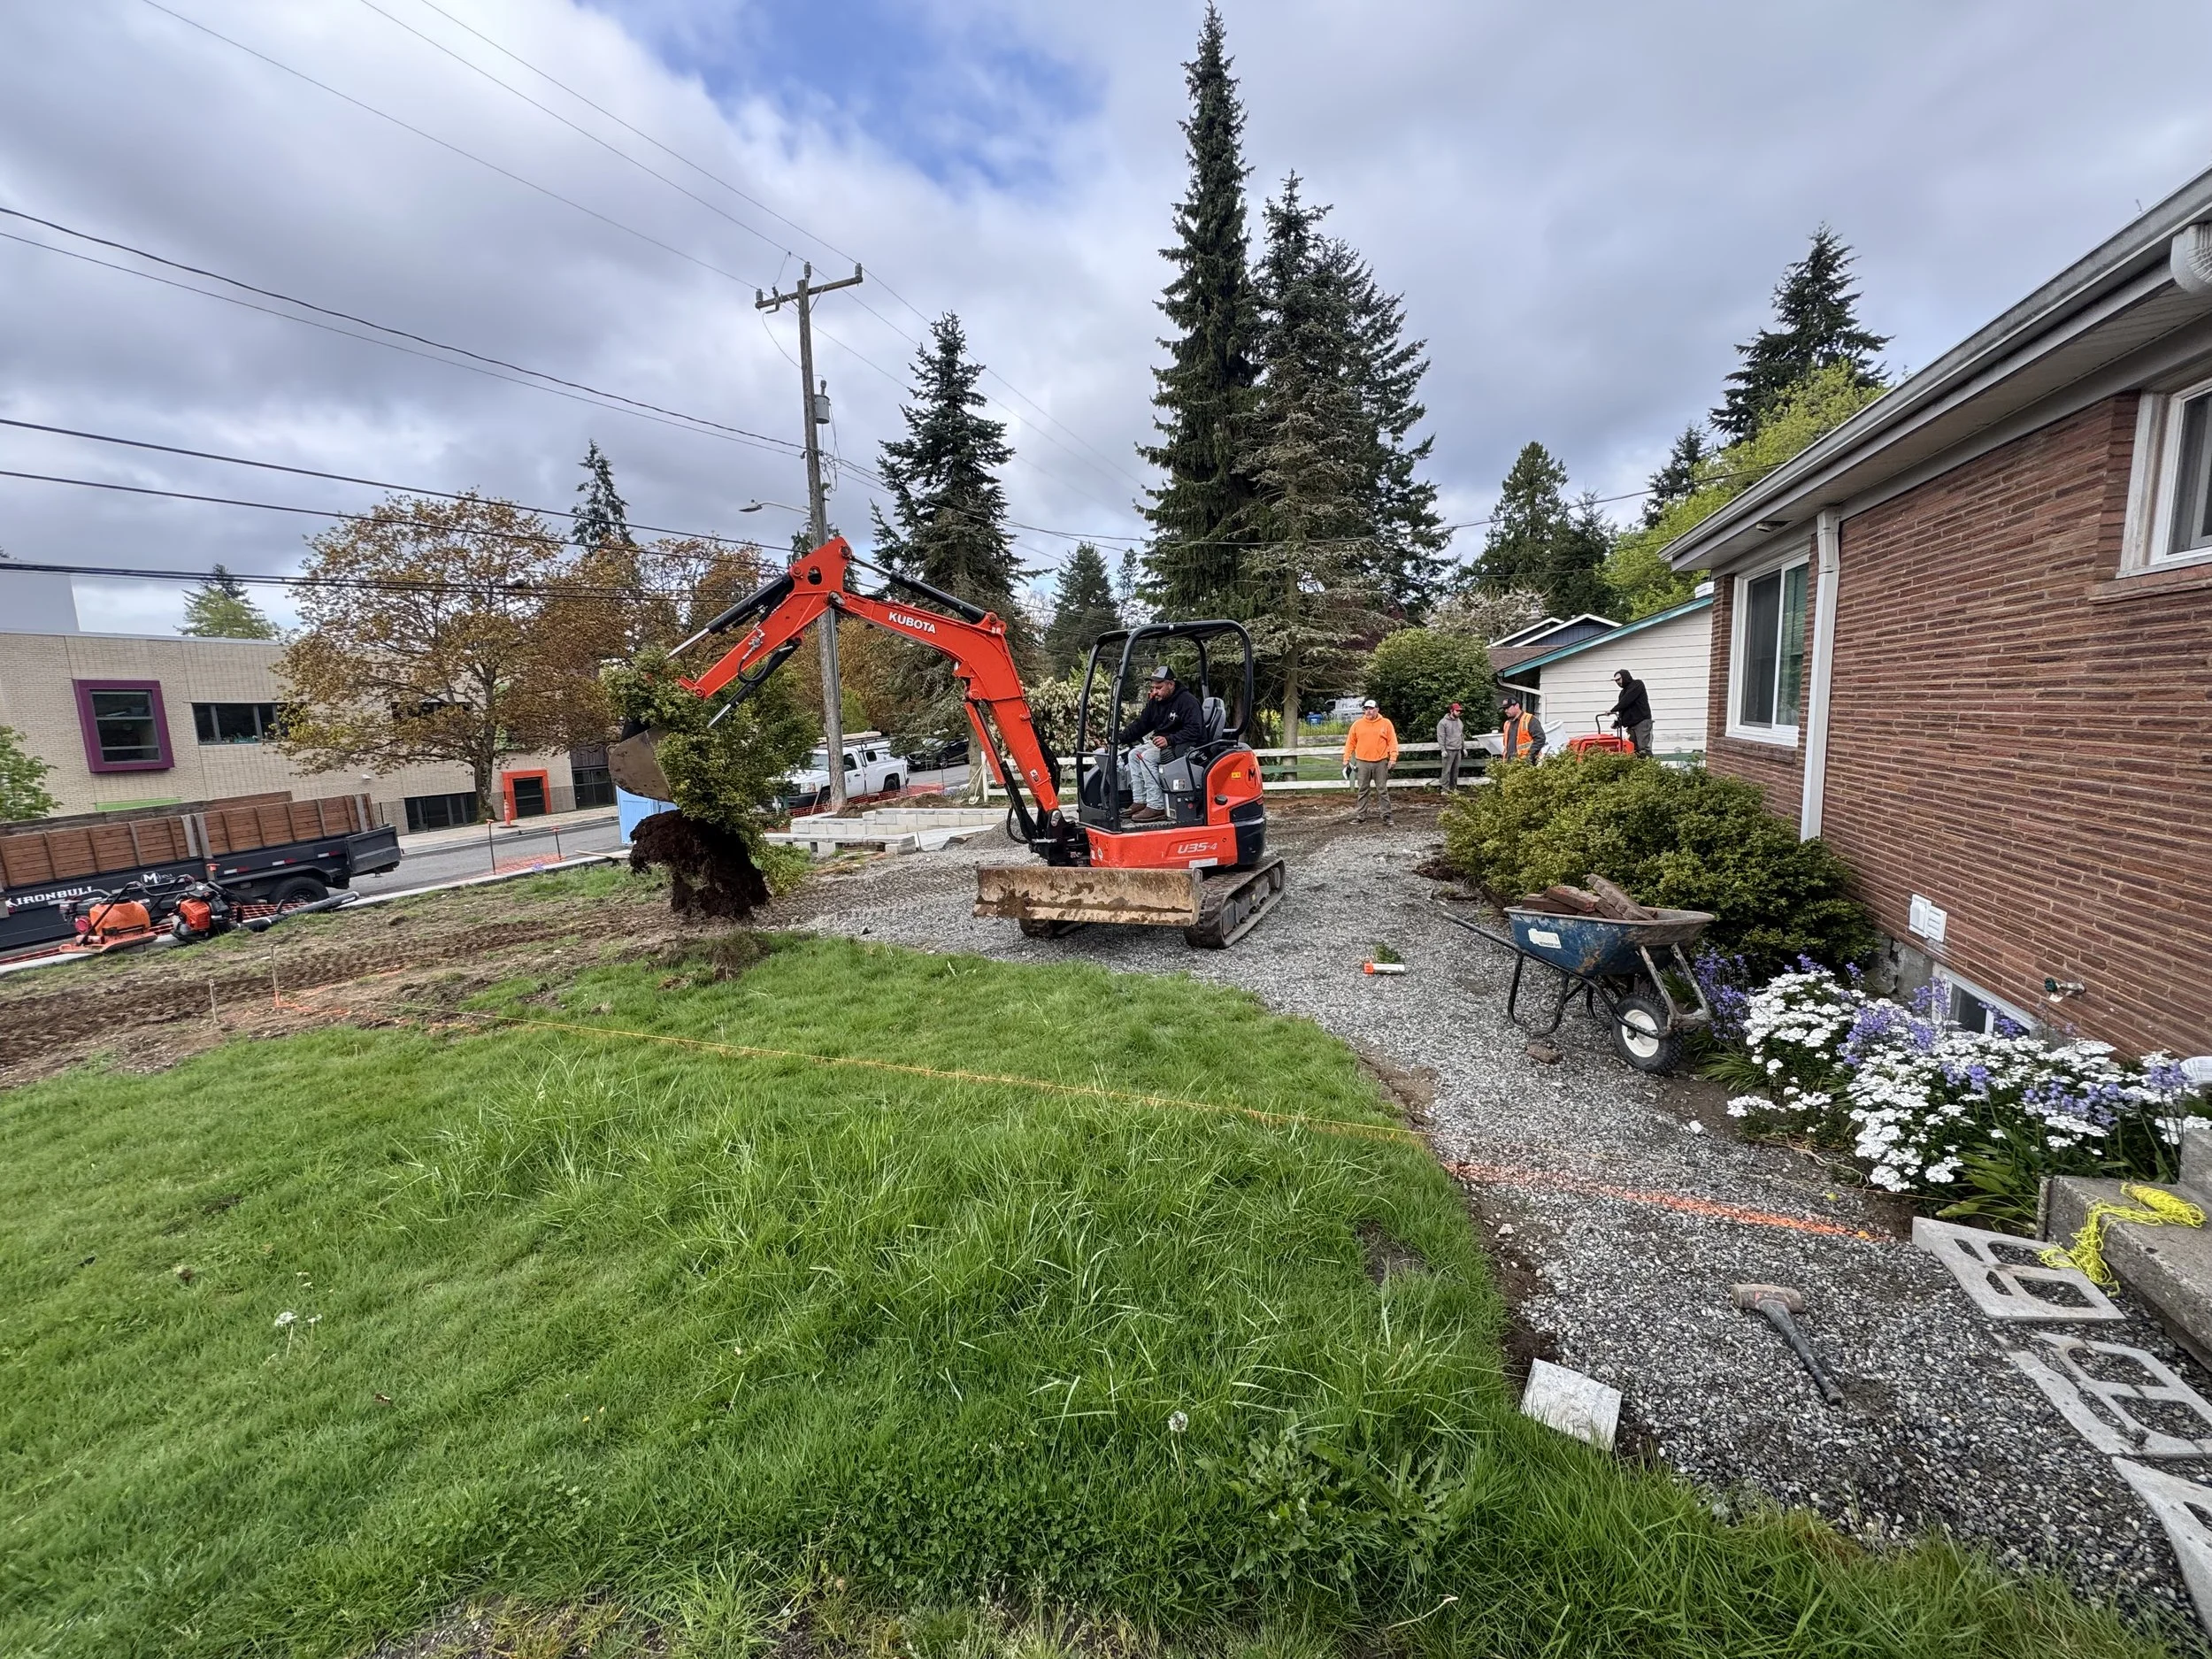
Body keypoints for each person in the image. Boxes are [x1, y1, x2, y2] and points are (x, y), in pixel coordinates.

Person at [1113, 665, 1204, 823]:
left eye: (1159, 687)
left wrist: (1170, 740)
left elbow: (1195, 730)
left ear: (1171, 684)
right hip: (1165, 744)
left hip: (1186, 746)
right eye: (1153, 688)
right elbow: (1142, 724)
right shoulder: (1156, 703)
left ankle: (1157, 805)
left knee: (1146, 757)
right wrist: (1119, 738)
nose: (1155, 692)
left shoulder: (1187, 702)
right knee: (1134, 755)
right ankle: (1140, 801)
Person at [1340, 698, 1400, 824]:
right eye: (1366, 709)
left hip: (1380, 761)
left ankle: (1386, 815)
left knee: (1382, 789)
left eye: (1371, 708)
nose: (1368, 711)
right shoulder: (1357, 724)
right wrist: (1346, 758)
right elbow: (1350, 743)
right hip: (1362, 762)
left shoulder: (1386, 723)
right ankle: (1361, 816)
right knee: (1362, 789)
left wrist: (1393, 757)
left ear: (1377, 709)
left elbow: (1392, 742)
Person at [1604, 669, 1654, 757]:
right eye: (1616, 681)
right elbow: (1624, 709)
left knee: (1643, 748)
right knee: (1633, 748)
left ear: (1625, 677)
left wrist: (1612, 710)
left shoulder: (1637, 684)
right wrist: (1618, 722)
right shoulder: (1622, 693)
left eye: (1619, 679)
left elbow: (1627, 700)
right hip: (1631, 725)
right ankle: (1639, 768)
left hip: (1642, 722)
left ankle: (1650, 768)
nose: (1618, 682)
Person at [1500, 697, 1546, 761]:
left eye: (1507, 708)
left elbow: (1540, 739)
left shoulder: (1530, 720)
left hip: (1526, 765)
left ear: (1517, 706)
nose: (1506, 711)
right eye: (1504, 709)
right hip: (1510, 764)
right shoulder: (1507, 724)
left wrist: (1530, 757)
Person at [1435, 701, 1466, 791]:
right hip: (1448, 750)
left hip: (1458, 749)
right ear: (1451, 711)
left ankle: (1453, 789)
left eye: (1460, 711)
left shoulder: (1460, 722)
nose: (1459, 712)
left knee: (1455, 771)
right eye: (1457, 710)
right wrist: (1443, 750)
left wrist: (1463, 748)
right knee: (1446, 771)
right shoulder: (1443, 722)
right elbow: (1441, 737)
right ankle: (1444, 789)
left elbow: (1461, 736)